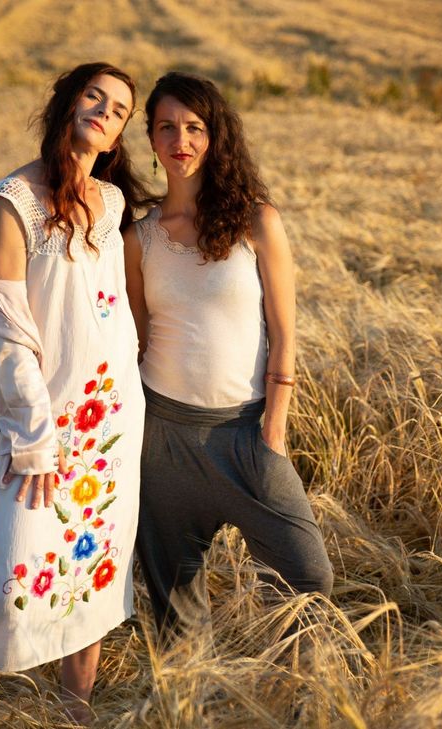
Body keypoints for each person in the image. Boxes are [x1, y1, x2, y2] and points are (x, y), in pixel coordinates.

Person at [0, 62, 148, 723]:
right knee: (14, 581)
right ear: (68, 105)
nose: (105, 109)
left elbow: (117, 308)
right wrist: (36, 440)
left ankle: (76, 712)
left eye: (119, 107)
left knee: (95, 572)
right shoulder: (13, 202)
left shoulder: (114, 202)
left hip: (114, 426)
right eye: (94, 96)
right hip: (43, 431)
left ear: (120, 134)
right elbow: (7, 336)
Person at [124, 71, 333, 636]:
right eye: (166, 127)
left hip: (246, 434)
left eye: (194, 127)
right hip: (163, 436)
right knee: (175, 605)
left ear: (215, 136)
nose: (180, 140)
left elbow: (285, 334)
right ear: (150, 140)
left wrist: (274, 433)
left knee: (307, 577)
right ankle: (192, 707)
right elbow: (136, 340)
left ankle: (295, 700)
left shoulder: (256, 222)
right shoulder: (138, 237)